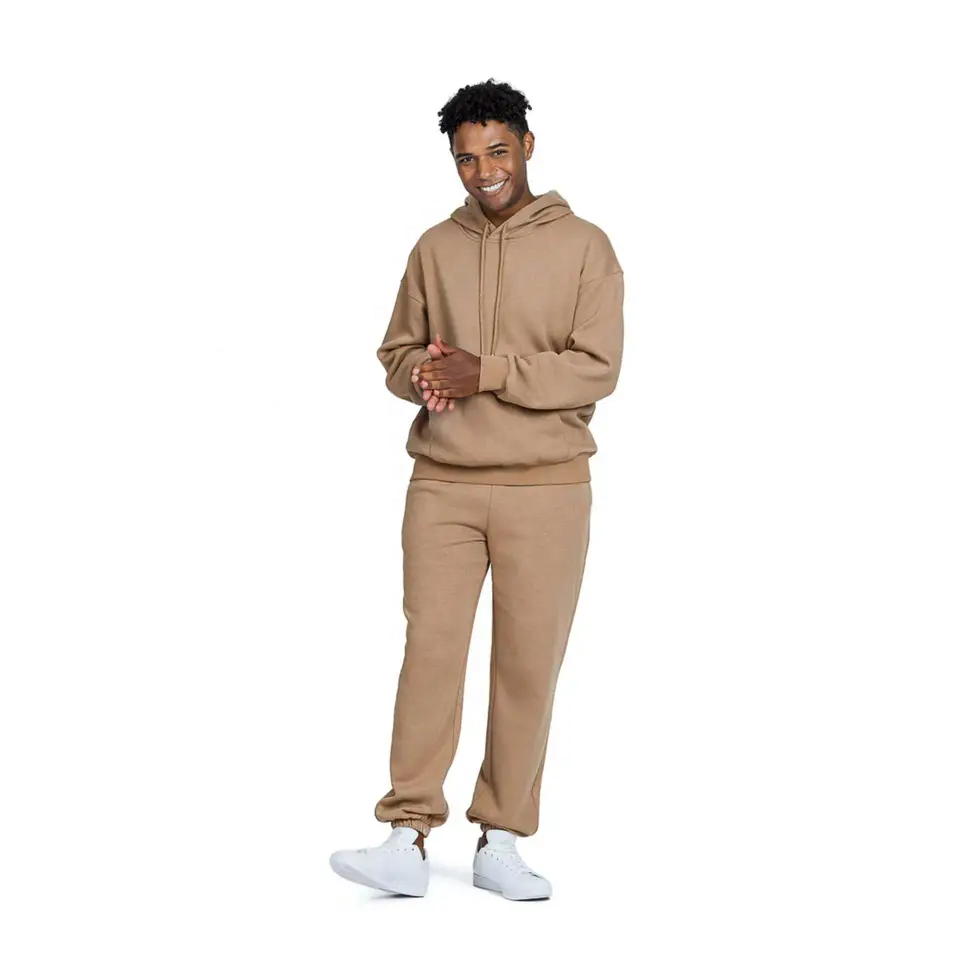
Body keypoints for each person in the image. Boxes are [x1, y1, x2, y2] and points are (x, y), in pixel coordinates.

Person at [329, 78, 624, 900]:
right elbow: (395, 352)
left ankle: (502, 838)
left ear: (527, 145)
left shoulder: (586, 247)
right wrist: (423, 376)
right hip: (443, 483)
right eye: (466, 158)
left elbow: (597, 368)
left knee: (527, 665)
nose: (484, 170)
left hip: (548, 487)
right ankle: (406, 833)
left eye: (497, 151)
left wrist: (484, 371)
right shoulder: (434, 246)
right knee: (430, 653)